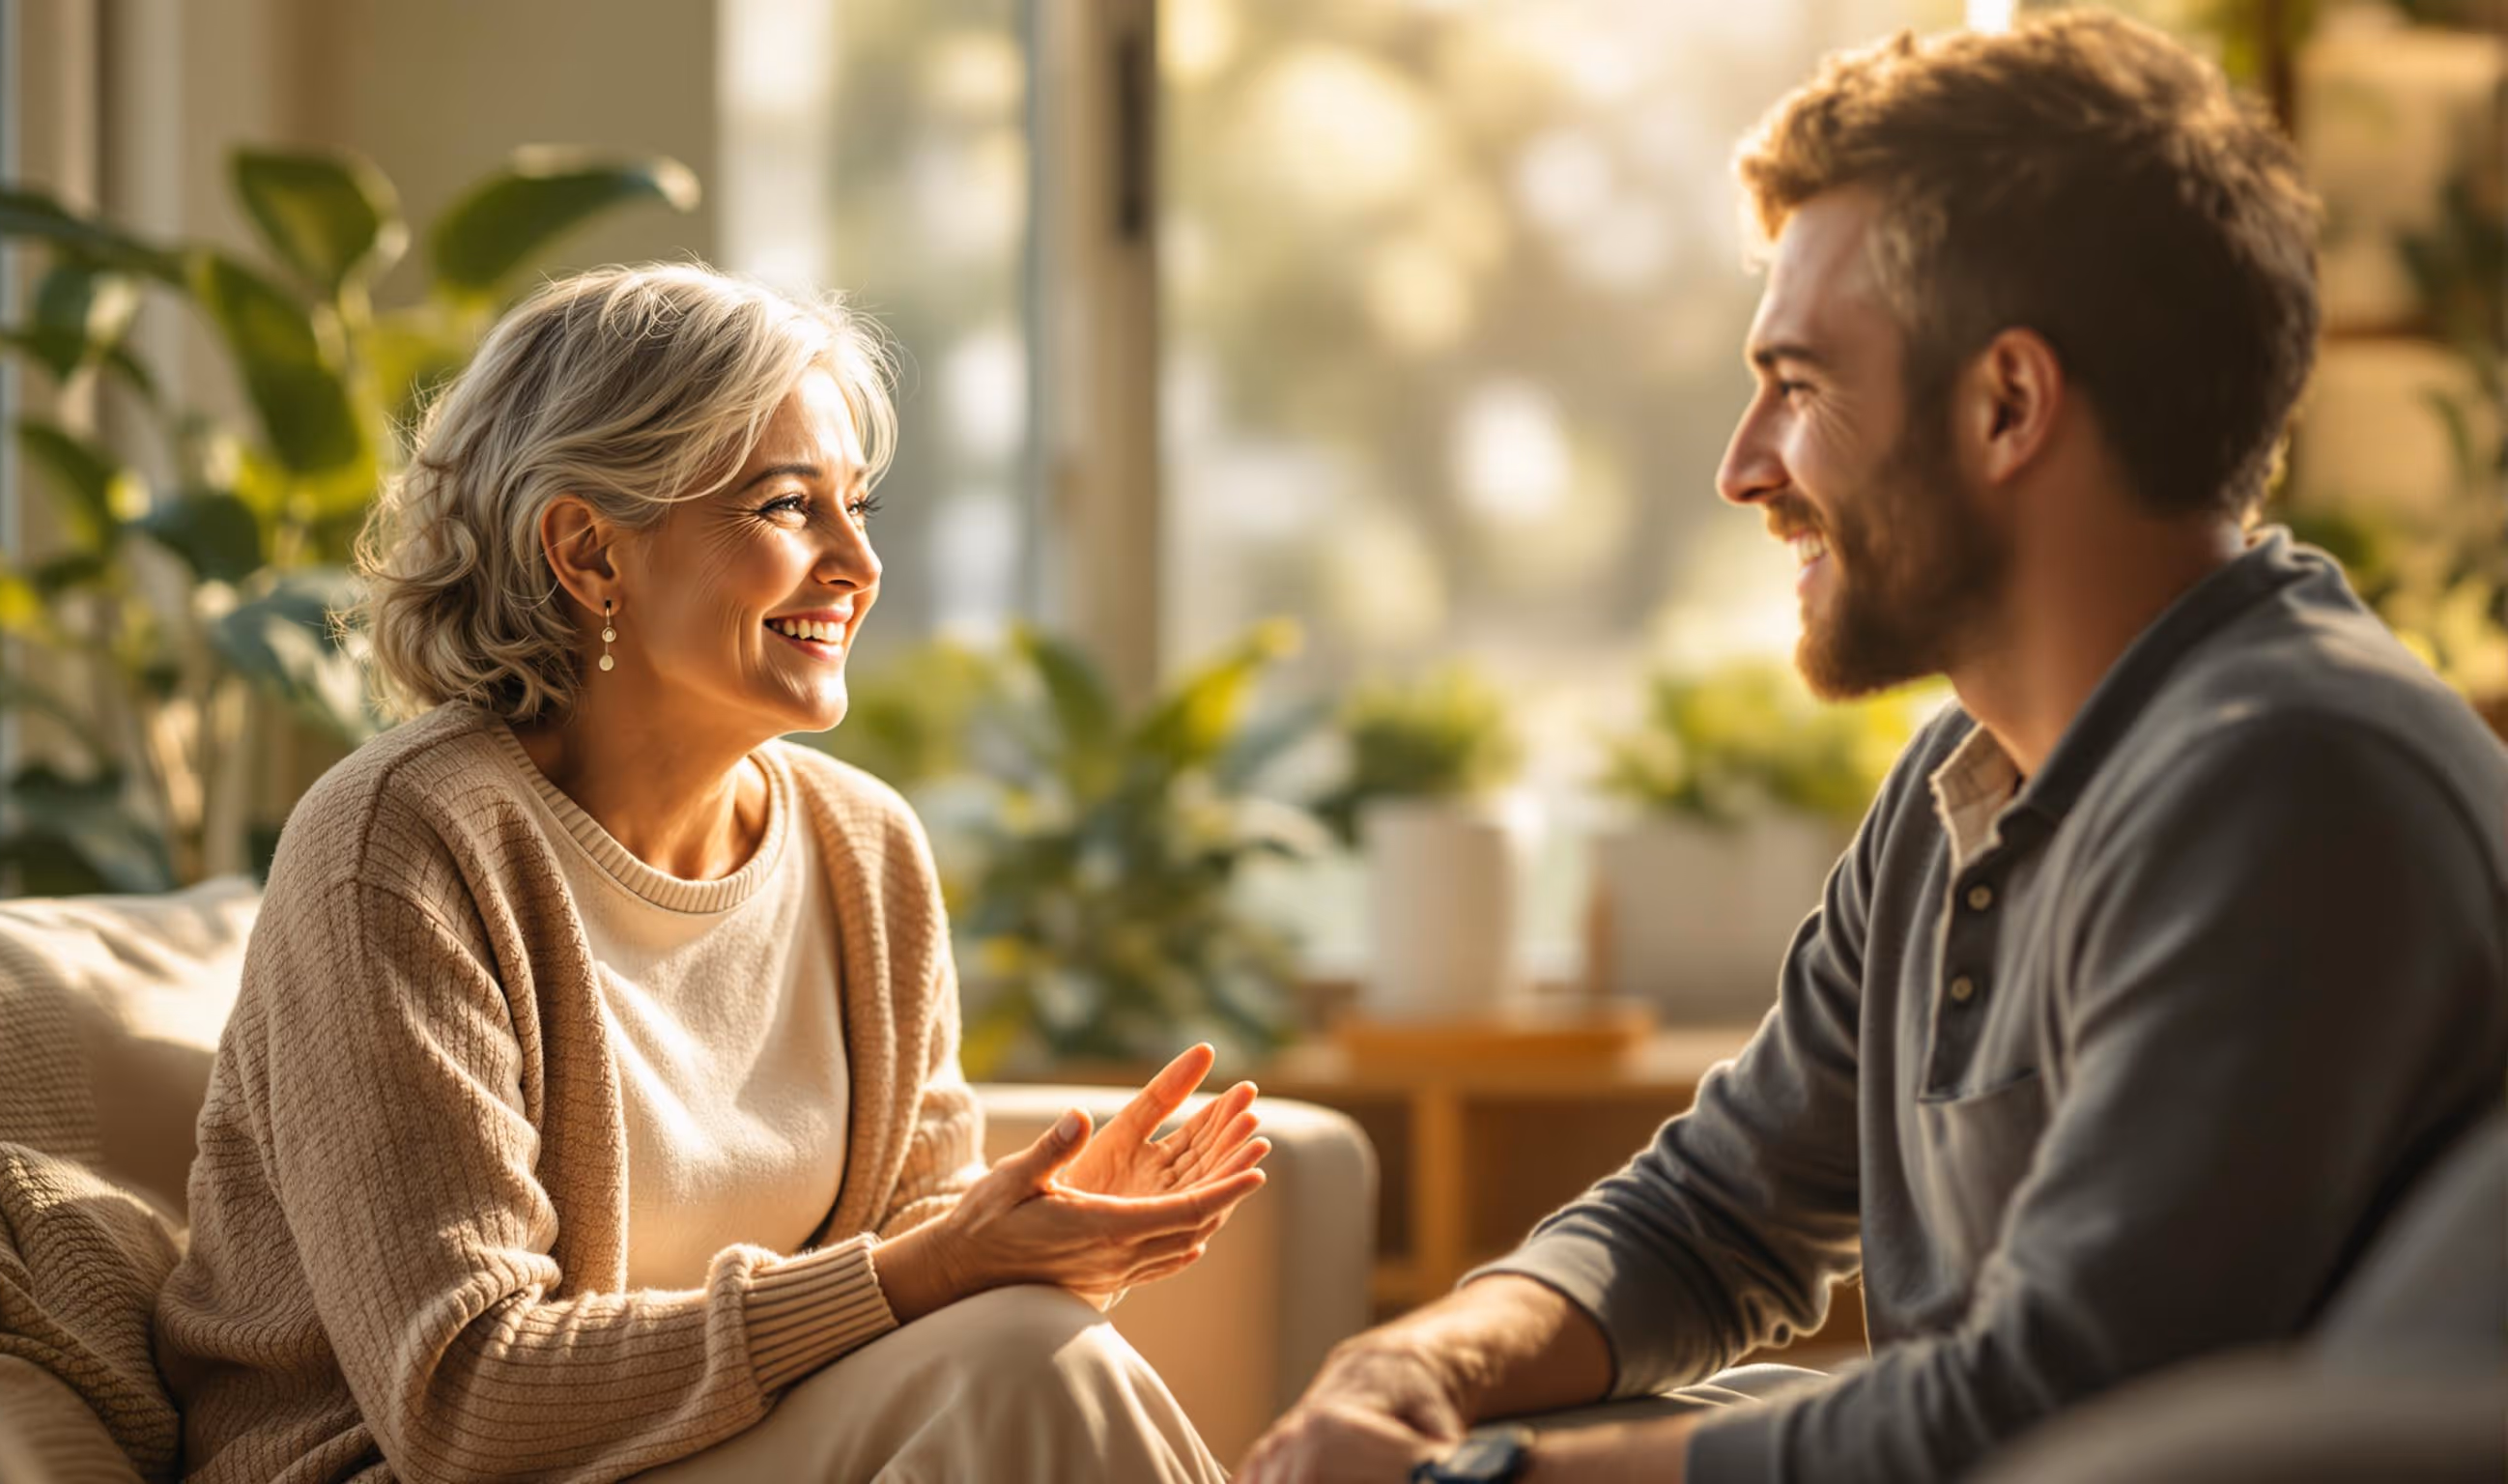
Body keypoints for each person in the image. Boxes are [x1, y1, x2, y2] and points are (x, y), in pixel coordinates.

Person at [1240, 13, 2508, 1484]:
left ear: (2008, 405)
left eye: (1800, 382)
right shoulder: (1966, 779)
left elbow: (2064, 1405)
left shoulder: (2292, 782)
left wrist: (1486, 1481)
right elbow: (1715, 1214)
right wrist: (1419, 1362)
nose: (1743, 466)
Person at [155, 263, 1269, 1483]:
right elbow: (463, 1401)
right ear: (588, 553)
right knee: (1016, 1355)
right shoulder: (401, 844)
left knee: (1025, 1340)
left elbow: (913, 1298)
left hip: (726, 1453)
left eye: (861, 508)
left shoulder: (866, 847)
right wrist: (938, 1271)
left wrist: (1032, 1244)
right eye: (790, 507)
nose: (858, 564)